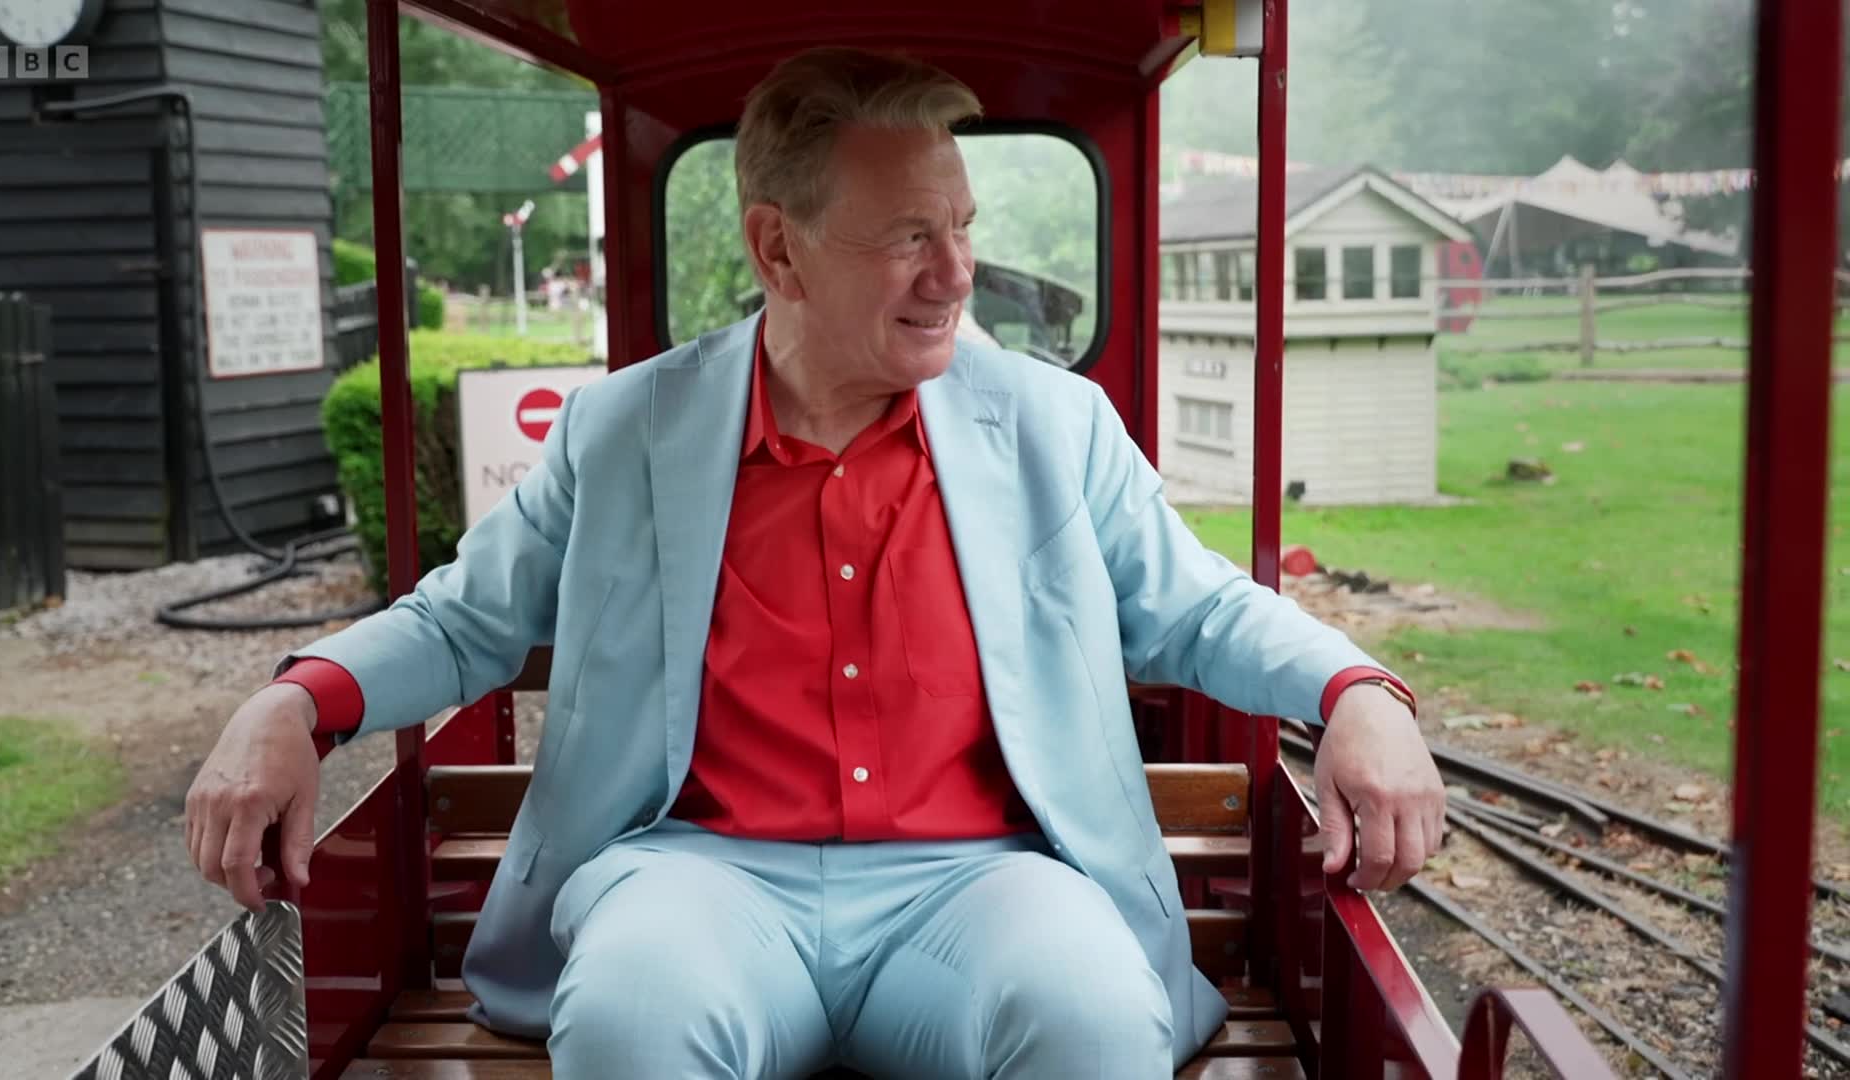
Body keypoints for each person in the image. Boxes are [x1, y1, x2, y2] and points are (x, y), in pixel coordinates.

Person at [185, 46, 1445, 1079]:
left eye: (962, 226)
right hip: (699, 875)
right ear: (776, 249)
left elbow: (1198, 608)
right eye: (909, 236)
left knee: (1096, 1019)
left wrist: (1354, 693)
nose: (958, 273)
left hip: (983, 882)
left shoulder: (1053, 428)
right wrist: (297, 702)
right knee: (629, 1020)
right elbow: (466, 620)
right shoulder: (625, 433)